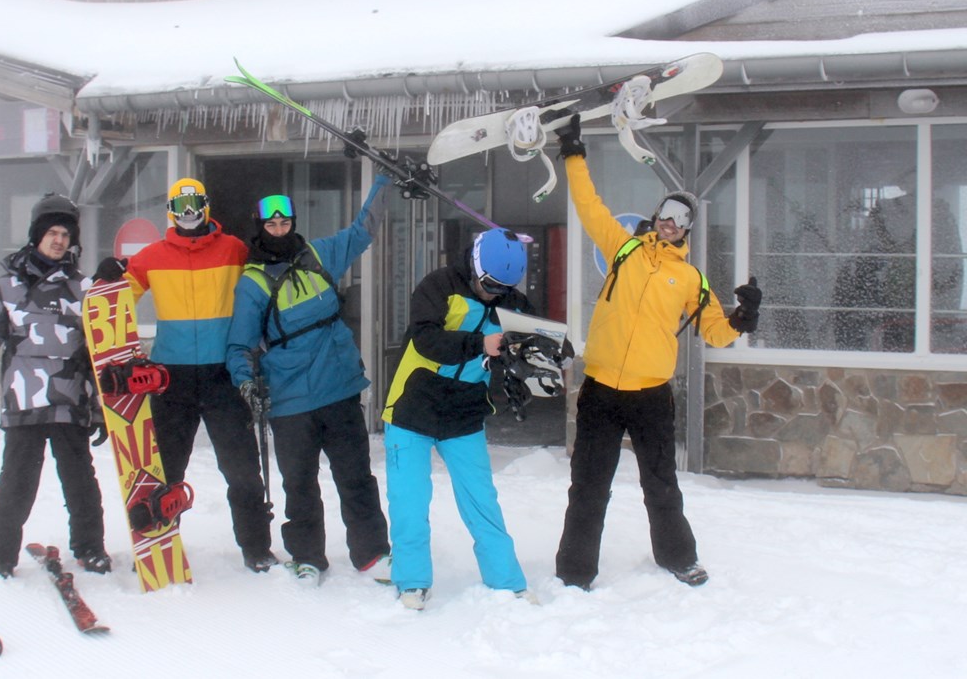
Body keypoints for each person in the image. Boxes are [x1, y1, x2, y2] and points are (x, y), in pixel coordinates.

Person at [546, 113, 762, 589]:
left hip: (650, 396)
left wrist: (741, 320)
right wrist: (574, 152)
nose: (670, 223)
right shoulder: (623, 249)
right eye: (666, 213)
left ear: (689, 230)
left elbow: (715, 332)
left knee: (661, 485)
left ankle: (678, 557)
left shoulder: (690, 278)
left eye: (681, 218)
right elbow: (588, 204)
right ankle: (575, 571)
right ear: (656, 214)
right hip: (601, 389)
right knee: (588, 487)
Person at [93, 178, 277, 573]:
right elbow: (115, 301)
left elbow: (262, 289)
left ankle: (257, 548)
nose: (189, 212)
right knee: (166, 468)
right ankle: (158, 544)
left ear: (206, 206)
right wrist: (105, 278)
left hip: (223, 374)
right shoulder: (151, 256)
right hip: (171, 377)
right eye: (181, 204)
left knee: (242, 468)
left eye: (195, 203)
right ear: (171, 211)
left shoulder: (235, 250)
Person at [226, 176, 393, 586]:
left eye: (285, 223)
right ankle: (307, 557)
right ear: (260, 227)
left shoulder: (317, 255)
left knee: (355, 476)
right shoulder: (252, 282)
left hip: (339, 389)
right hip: (290, 400)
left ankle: (372, 552)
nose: (279, 230)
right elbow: (239, 346)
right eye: (271, 224)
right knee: (299, 484)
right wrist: (246, 381)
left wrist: (387, 183)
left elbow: (361, 231)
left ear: (293, 223)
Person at [0, 193, 111, 578]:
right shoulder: (8, 285)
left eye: (65, 234)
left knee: (80, 483)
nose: (59, 240)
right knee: (16, 483)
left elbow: (98, 351)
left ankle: (90, 548)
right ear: (36, 235)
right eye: (52, 233)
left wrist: (102, 409)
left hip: (69, 400)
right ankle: (1, 557)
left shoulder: (83, 287)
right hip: (24, 403)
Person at [381, 227, 536, 611]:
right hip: (412, 406)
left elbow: (521, 353)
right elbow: (426, 339)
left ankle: (506, 580)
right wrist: (478, 344)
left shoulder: (513, 305)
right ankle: (412, 581)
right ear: (474, 264)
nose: (492, 293)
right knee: (409, 500)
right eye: (487, 283)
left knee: (481, 499)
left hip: (464, 412)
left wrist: (535, 365)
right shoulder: (439, 285)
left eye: (502, 287)